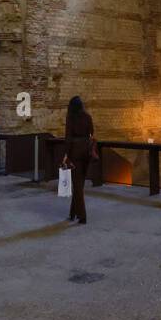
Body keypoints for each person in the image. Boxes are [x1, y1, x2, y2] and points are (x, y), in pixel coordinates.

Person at [61, 96, 95, 225]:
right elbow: (92, 132)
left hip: (75, 152)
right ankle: (72, 213)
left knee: (77, 185)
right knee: (79, 184)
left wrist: (66, 155)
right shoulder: (87, 117)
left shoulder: (71, 118)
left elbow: (68, 138)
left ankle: (82, 216)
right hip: (86, 152)